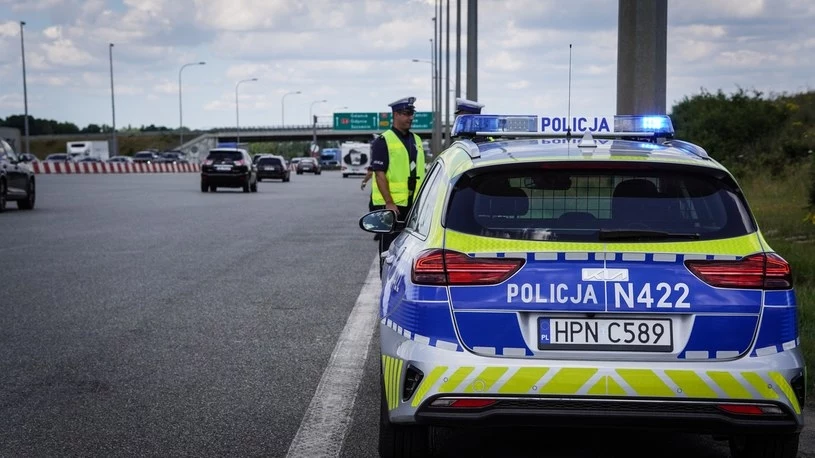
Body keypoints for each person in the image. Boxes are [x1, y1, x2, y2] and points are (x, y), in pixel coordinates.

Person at [370, 96, 426, 253]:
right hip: (392, 206)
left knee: (410, 250)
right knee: (388, 251)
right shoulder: (383, 141)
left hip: (414, 205)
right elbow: (379, 174)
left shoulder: (417, 140)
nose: (411, 117)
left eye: (412, 114)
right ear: (395, 115)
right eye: (407, 113)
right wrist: (389, 202)